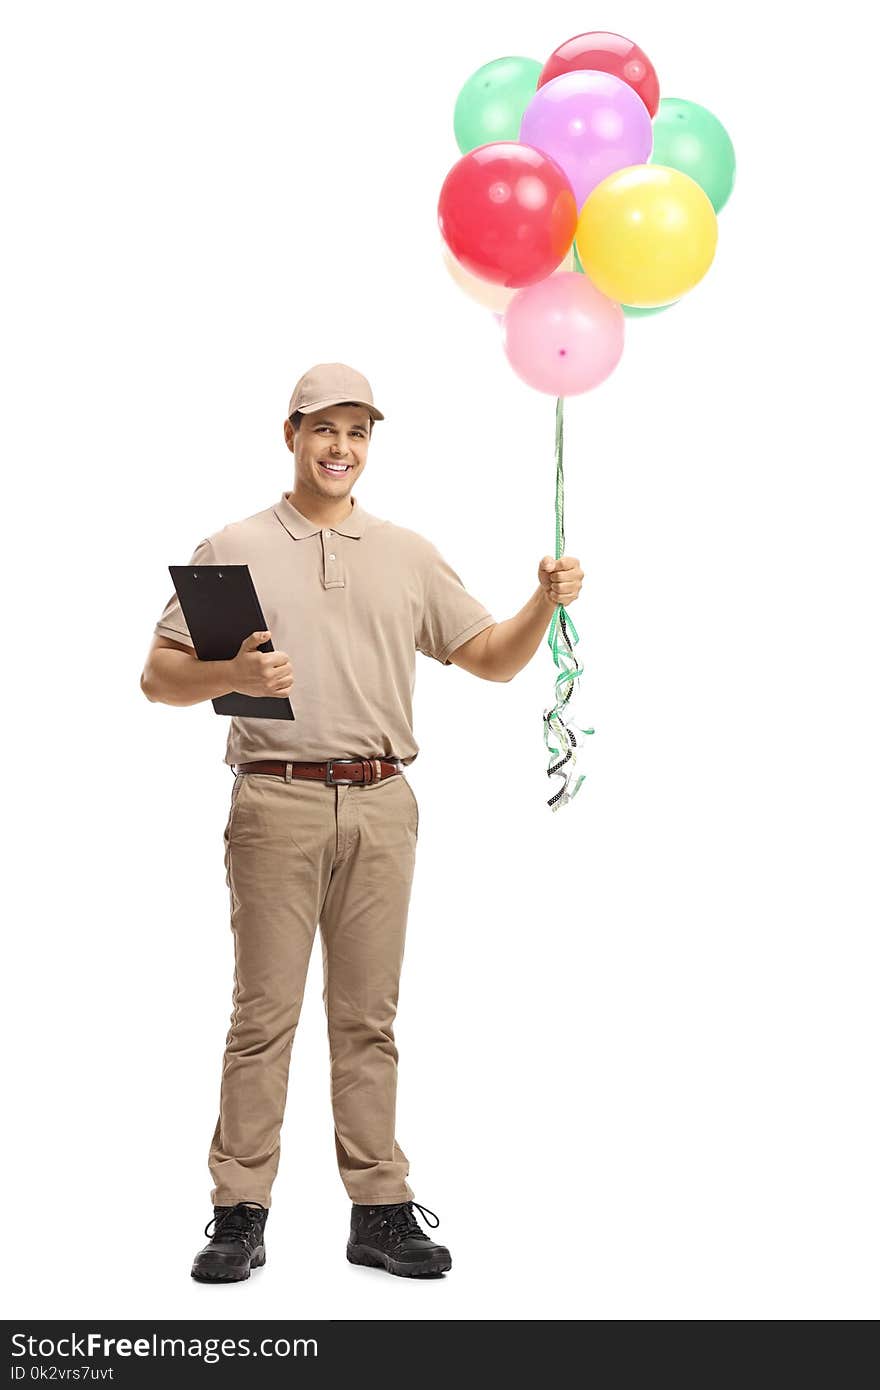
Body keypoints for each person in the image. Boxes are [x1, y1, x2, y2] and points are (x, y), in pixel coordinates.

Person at [140, 362, 583, 1281]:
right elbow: (157, 677)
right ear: (291, 435)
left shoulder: (408, 554)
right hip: (276, 801)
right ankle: (238, 1211)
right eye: (323, 429)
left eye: (358, 432)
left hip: (384, 804)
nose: (341, 448)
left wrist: (543, 597)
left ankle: (379, 1209)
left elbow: (493, 660)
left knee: (369, 1018)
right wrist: (234, 677)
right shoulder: (236, 544)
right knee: (263, 1014)